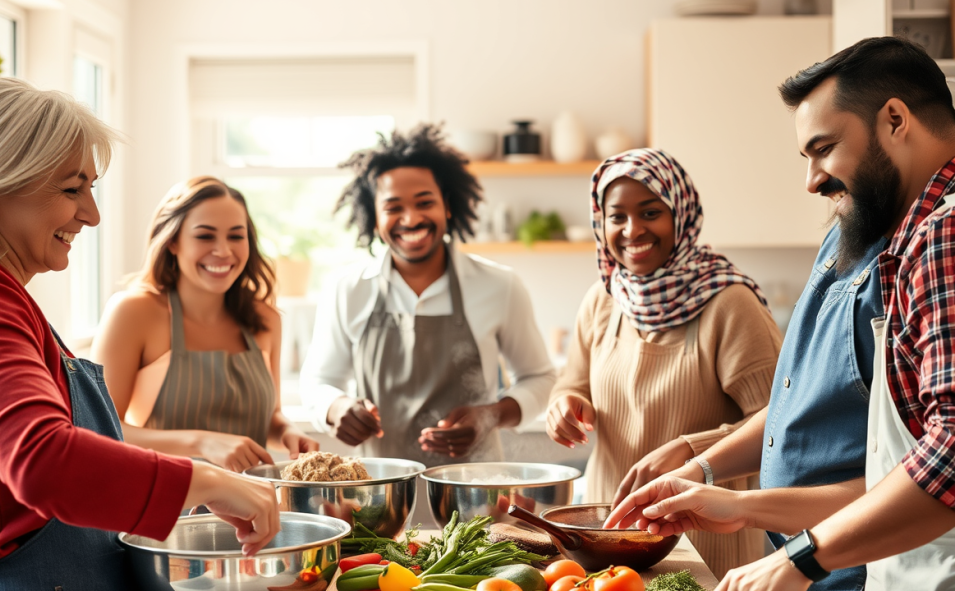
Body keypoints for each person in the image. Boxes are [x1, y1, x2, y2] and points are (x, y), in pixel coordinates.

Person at [607, 37, 955, 591]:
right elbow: (807, 402)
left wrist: (800, 558)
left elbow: (949, 456)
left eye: (825, 147)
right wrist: (711, 474)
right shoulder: (874, 232)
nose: (813, 179)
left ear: (895, 119)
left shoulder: (944, 234)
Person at [0, 78, 280, 591]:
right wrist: (206, 480)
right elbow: (42, 460)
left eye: (91, 189)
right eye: (70, 189)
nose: (93, 215)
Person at [544, 148, 780, 577]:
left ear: (681, 215)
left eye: (650, 212)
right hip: (608, 532)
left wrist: (692, 449)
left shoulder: (729, 303)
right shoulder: (604, 297)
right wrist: (564, 404)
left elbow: (784, 420)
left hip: (704, 538)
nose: (632, 229)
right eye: (616, 217)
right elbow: (571, 383)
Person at [299, 123, 556, 467]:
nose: (411, 218)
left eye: (425, 202)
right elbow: (318, 382)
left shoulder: (499, 286)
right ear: (375, 219)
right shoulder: (348, 290)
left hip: (474, 490)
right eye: (393, 208)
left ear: (447, 206)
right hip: (380, 496)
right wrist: (336, 408)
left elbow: (541, 378)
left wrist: (491, 415)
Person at [92, 176, 318, 472]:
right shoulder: (133, 312)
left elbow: (271, 417)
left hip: (252, 505)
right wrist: (202, 443)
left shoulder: (266, 320)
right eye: (205, 236)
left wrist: (287, 432)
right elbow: (99, 428)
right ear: (172, 241)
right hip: (166, 506)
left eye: (236, 236)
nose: (223, 251)